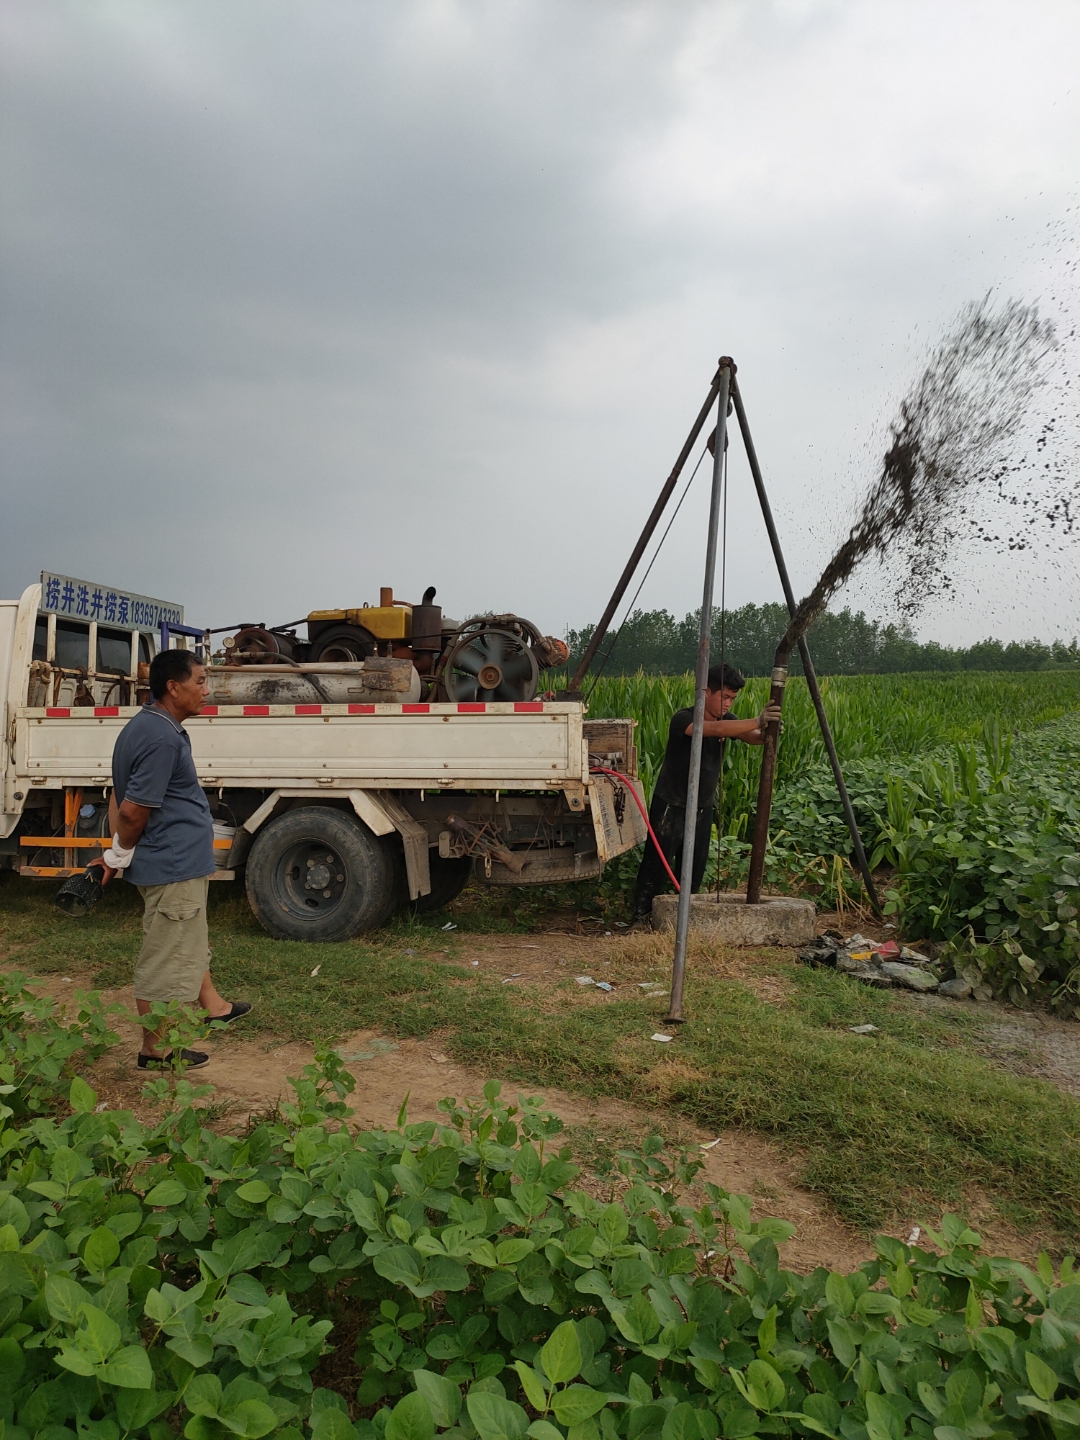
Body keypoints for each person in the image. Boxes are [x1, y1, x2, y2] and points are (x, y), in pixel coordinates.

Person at [95, 648, 250, 1068]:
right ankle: (155, 1050)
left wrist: (117, 851)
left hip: (177, 862)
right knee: (167, 956)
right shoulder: (161, 736)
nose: (207, 690)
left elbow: (120, 795)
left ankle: (212, 1005)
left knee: (187, 942)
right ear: (173, 686)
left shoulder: (149, 726)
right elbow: (132, 810)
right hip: (171, 865)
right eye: (200, 681)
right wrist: (117, 853)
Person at [632, 662, 780, 924]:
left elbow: (754, 737)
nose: (728, 705)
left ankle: (683, 919)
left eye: (733, 699)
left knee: (694, 868)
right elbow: (711, 730)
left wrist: (769, 728)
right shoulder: (684, 719)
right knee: (656, 865)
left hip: (702, 806)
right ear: (705, 693)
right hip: (671, 805)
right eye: (724, 697)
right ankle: (640, 917)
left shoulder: (729, 722)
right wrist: (756, 720)